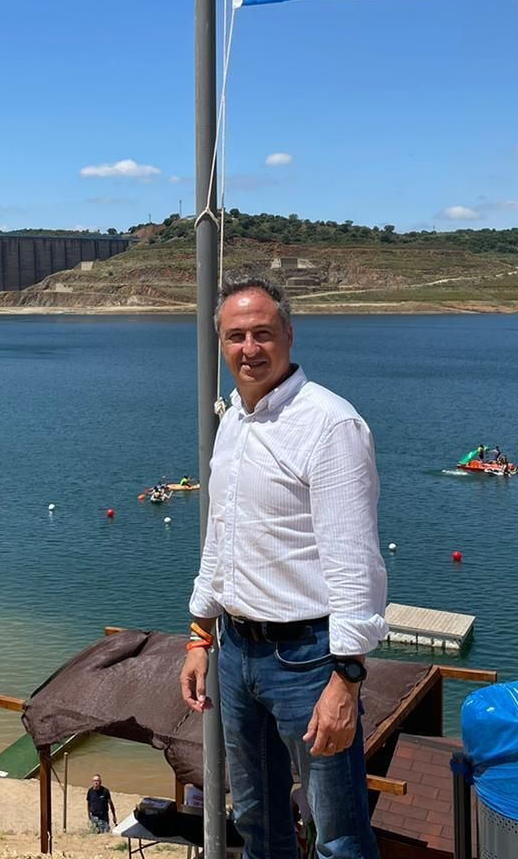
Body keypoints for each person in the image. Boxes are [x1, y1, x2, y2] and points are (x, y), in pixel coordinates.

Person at [182, 276, 386, 859]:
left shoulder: (330, 424)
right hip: (237, 651)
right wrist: (200, 632)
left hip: (309, 659)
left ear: (289, 336)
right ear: (221, 345)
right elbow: (221, 536)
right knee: (257, 821)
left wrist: (347, 677)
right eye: (236, 336)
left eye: (263, 334)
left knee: (338, 832)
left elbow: (354, 561)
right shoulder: (233, 424)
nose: (250, 349)